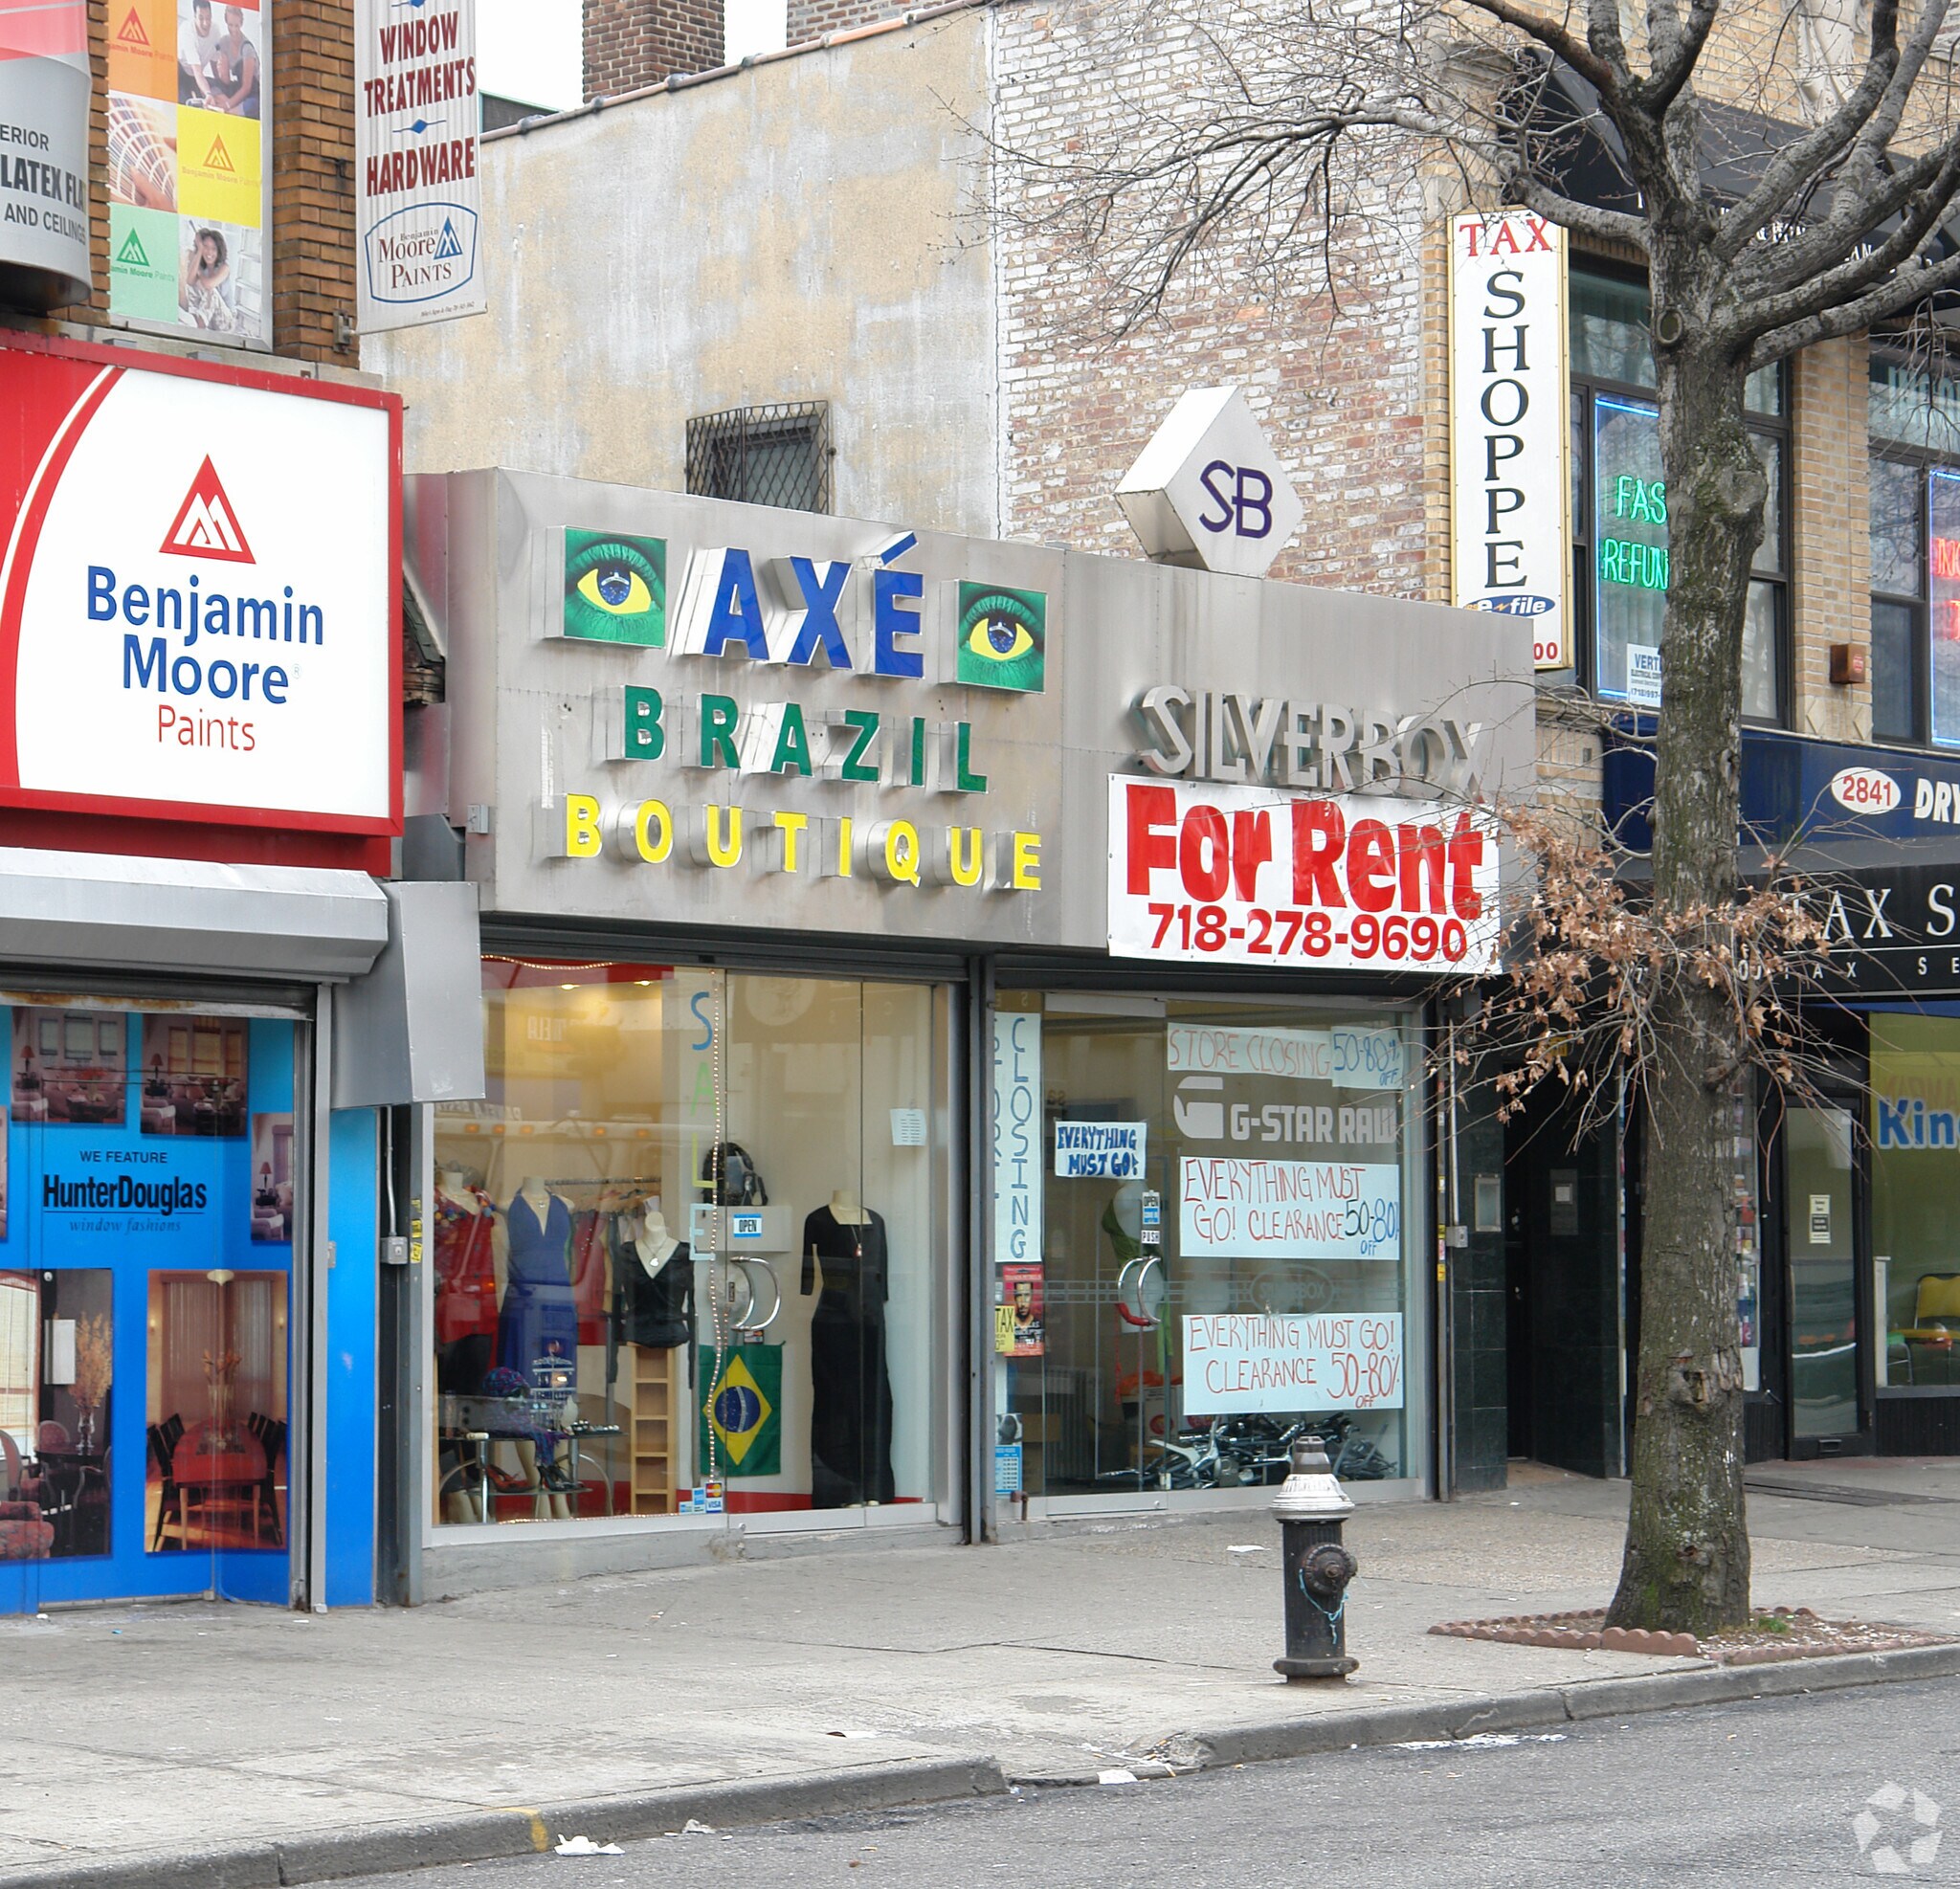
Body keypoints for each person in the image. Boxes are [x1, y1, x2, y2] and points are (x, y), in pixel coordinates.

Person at [179, 228, 240, 333]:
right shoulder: (202, 266)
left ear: (219, 251)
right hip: (210, 320)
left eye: (214, 249)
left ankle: (198, 325)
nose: (209, 252)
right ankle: (195, 318)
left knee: (211, 291)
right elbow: (189, 281)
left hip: (226, 322)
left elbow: (208, 285)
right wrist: (199, 252)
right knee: (194, 286)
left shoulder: (224, 268)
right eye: (206, 247)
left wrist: (200, 273)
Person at [208, 6, 259, 118]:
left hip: (252, 93)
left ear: (241, 23)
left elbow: (247, 87)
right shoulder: (224, 41)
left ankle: (230, 111)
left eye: (237, 25)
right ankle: (226, 108)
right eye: (230, 25)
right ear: (226, 22)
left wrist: (227, 104)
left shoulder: (247, 48)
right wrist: (218, 77)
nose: (234, 30)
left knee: (252, 106)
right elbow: (210, 54)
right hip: (236, 87)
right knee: (209, 84)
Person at [177, 0, 219, 104]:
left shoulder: (216, 30)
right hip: (179, 71)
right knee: (187, 102)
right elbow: (197, 72)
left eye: (208, 18)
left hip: (195, 75)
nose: (205, 23)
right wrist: (208, 93)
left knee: (203, 103)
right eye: (201, 18)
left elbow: (214, 61)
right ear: (195, 17)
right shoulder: (187, 32)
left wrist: (219, 86)